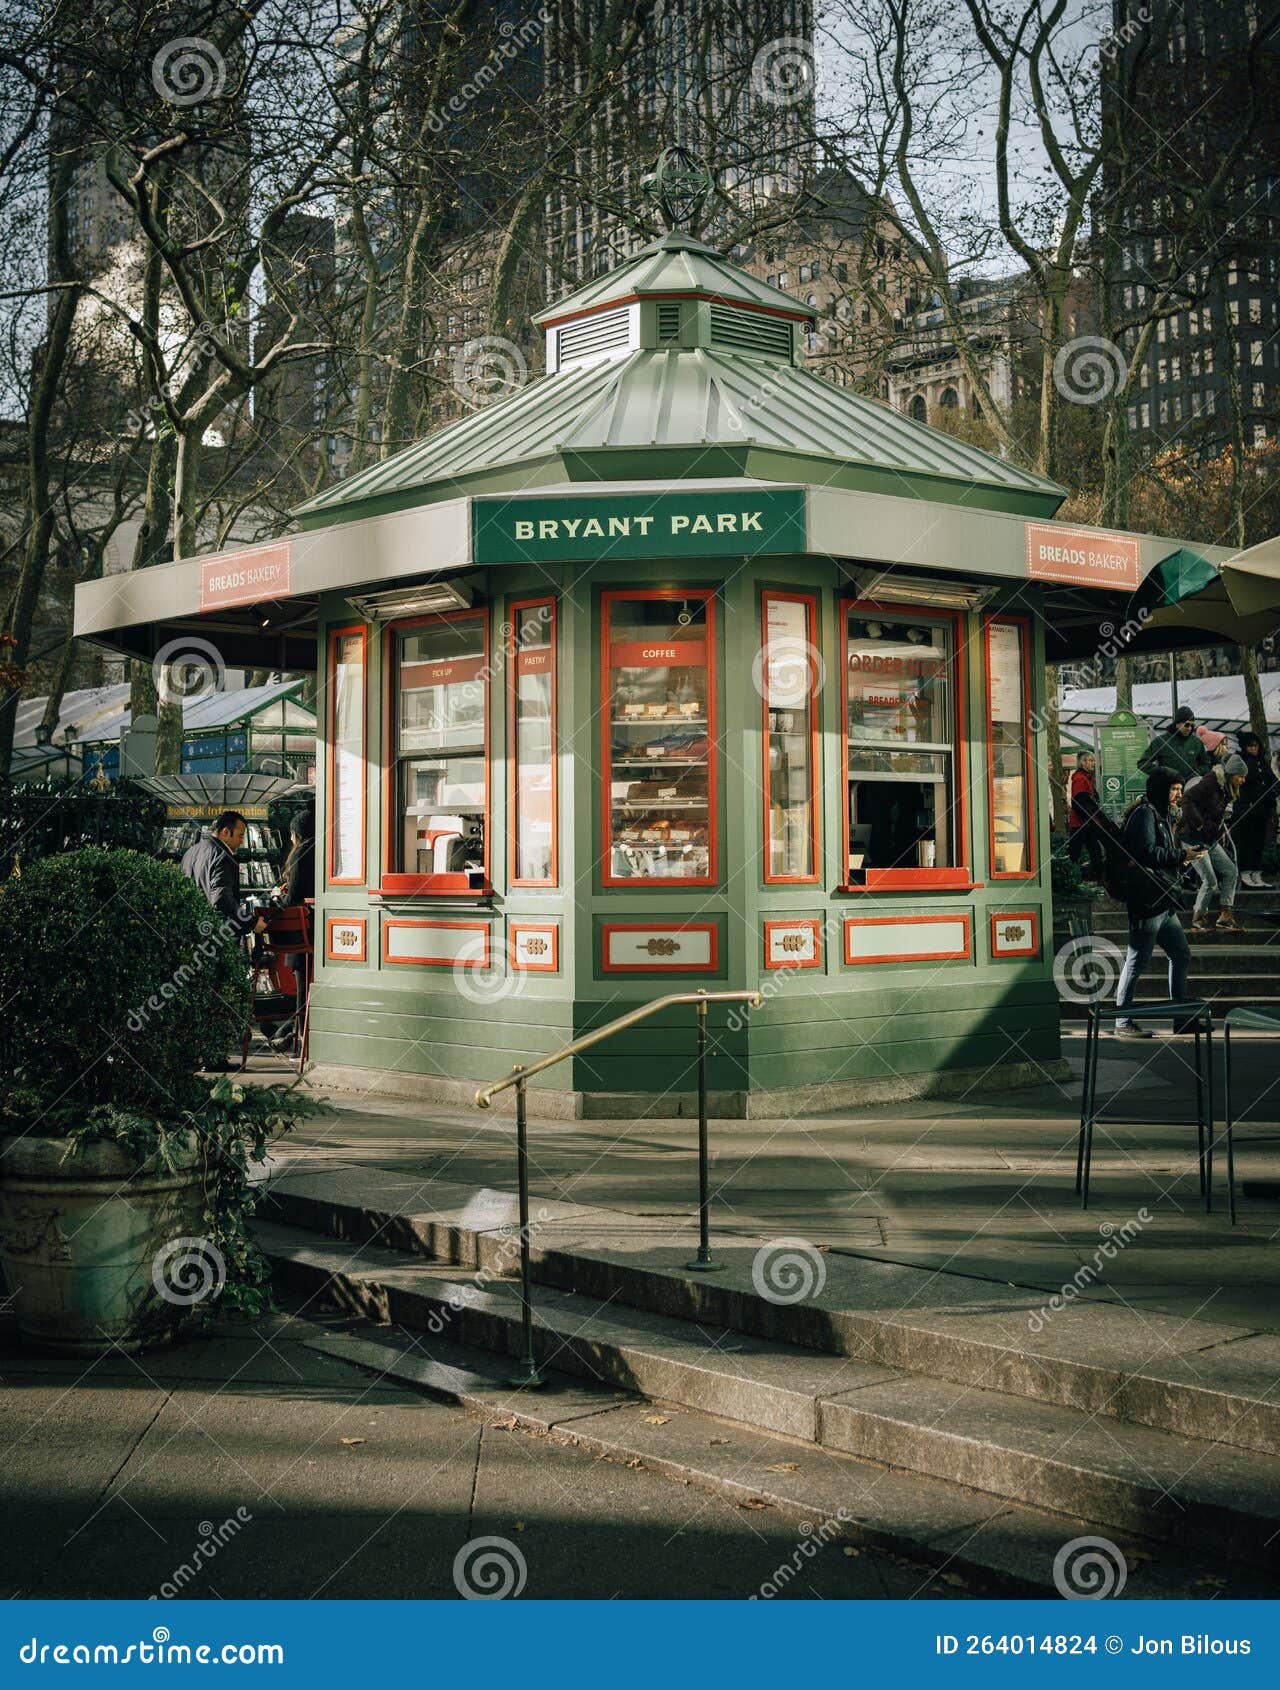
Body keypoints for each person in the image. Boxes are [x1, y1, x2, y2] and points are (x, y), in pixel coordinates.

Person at [1114, 770, 1197, 1039]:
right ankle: (1122, 1021)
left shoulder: (1160, 814)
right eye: (1174, 789)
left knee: (1181, 954)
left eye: (1180, 788)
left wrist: (1181, 857)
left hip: (1163, 900)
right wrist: (1180, 855)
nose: (1179, 795)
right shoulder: (1145, 814)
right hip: (1148, 901)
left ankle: (1182, 1018)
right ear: (1161, 790)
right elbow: (1145, 852)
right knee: (1137, 961)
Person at [1178, 754, 1247, 931]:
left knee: (1230, 871)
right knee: (1209, 879)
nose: (1243, 780)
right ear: (1231, 774)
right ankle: (1198, 917)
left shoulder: (1226, 789)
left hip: (1210, 839)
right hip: (1193, 837)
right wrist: (1200, 824)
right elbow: (1185, 799)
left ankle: (1225, 914)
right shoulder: (1211, 783)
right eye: (1240, 776)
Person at [266, 810, 315, 1053]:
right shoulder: (323, 849)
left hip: (303, 933)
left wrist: (278, 896)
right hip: (323, 930)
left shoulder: (301, 854)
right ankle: (288, 1031)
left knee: (302, 981)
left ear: (296, 834)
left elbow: (293, 898)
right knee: (307, 983)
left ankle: (296, 1036)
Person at [180, 810, 268, 941]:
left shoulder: (191, 852)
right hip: (216, 934)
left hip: (191, 931)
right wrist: (252, 922)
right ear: (226, 832)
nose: (241, 842)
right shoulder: (223, 856)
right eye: (240, 836)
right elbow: (222, 899)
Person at [1232, 731, 1278, 889]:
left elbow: (1273, 781)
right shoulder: (1242, 762)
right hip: (1247, 810)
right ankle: (1245, 873)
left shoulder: (1262, 763)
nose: (1254, 749)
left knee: (1259, 843)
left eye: (1256, 746)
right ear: (1245, 747)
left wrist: (1273, 791)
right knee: (1247, 843)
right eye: (1250, 746)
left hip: (1261, 811)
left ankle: (1256, 873)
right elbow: (1241, 785)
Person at [1139, 704, 1211, 785]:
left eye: (1192, 725)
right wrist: (1162, 772)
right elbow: (1142, 763)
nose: (1189, 728)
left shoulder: (1196, 742)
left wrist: (1195, 773)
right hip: (1167, 787)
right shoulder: (1161, 741)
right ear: (1177, 723)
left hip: (1190, 788)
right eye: (1187, 725)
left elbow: (1206, 764)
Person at [1066, 749, 1105, 880]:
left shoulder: (1084, 778)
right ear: (1083, 763)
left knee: (1093, 852)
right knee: (1078, 853)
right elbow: (1078, 802)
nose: (1094, 763)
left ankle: (1097, 878)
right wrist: (1089, 819)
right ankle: (1072, 879)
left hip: (1085, 823)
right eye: (1091, 760)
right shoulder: (1079, 779)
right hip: (1081, 824)